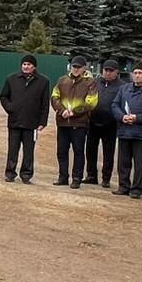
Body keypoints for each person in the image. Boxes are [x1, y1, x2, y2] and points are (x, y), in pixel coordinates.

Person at [111, 61, 142, 199]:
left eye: (140, 73)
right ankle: (123, 186)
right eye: (135, 73)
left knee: (139, 163)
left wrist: (137, 118)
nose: (137, 76)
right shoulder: (124, 88)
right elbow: (115, 105)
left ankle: (137, 189)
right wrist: (122, 117)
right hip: (124, 130)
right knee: (123, 161)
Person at [0, 54, 50, 184]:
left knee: (29, 151)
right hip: (15, 121)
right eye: (24, 64)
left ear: (34, 67)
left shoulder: (43, 82)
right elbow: (3, 96)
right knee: (12, 149)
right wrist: (11, 108)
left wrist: (42, 122)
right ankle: (10, 173)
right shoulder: (11, 79)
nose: (26, 67)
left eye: (29, 65)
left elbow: (45, 104)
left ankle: (26, 175)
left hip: (31, 123)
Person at [50, 56, 98, 188]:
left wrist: (75, 112)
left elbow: (92, 102)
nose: (76, 69)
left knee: (78, 151)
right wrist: (62, 111)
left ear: (84, 68)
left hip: (79, 123)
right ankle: (63, 177)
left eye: (78, 67)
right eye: (74, 66)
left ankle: (77, 178)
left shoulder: (90, 83)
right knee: (61, 151)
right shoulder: (62, 80)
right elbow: (55, 96)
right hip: (63, 122)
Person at [83, 60, 123, 188]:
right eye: (106, 70)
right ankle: (91, 175)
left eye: (111, 70)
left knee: (108, 152)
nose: (107, 72)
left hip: (110, 124)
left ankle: (106, 178)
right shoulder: (94, 83)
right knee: (90, 150)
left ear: (117, 72)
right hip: (93, 122)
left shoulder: (122, 86)